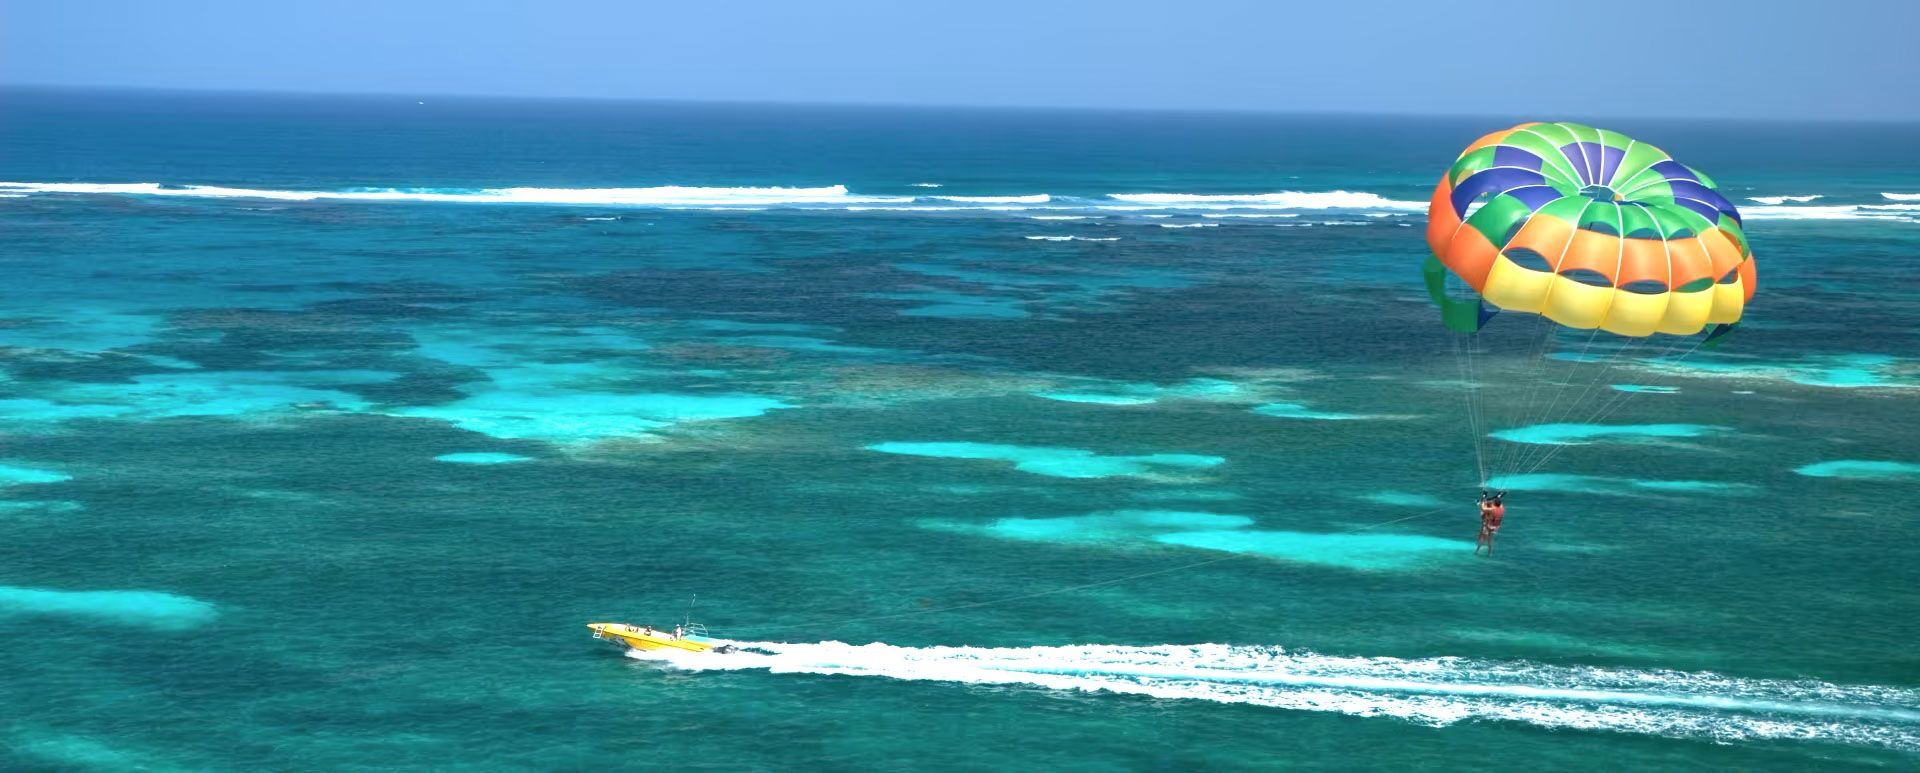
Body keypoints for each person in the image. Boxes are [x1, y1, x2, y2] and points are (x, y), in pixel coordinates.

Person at [1475, 491, 1506, 556]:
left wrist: (1482, 502)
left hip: (1488, 526)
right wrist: (1498, 497)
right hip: (1496, 527)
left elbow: (1483, 508)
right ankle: (1490, 553)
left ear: (1494, 504)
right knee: (1490, 540)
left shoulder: (1492, 509)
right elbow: (1499, 504)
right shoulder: (1502, 508)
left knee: (1483, 538)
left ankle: (1477, 551)